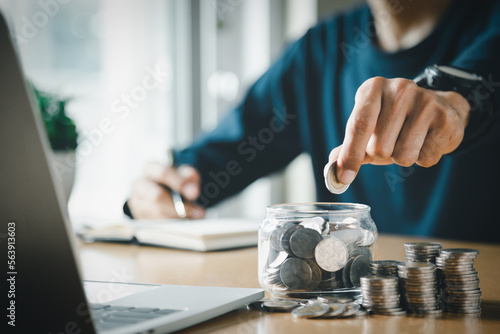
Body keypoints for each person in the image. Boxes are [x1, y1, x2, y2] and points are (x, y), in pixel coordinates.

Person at [125, 0, 500, 242]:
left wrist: (456, 100)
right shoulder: (318, 51)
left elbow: (479, 86)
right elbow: (210, 165)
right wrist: (158, 191)